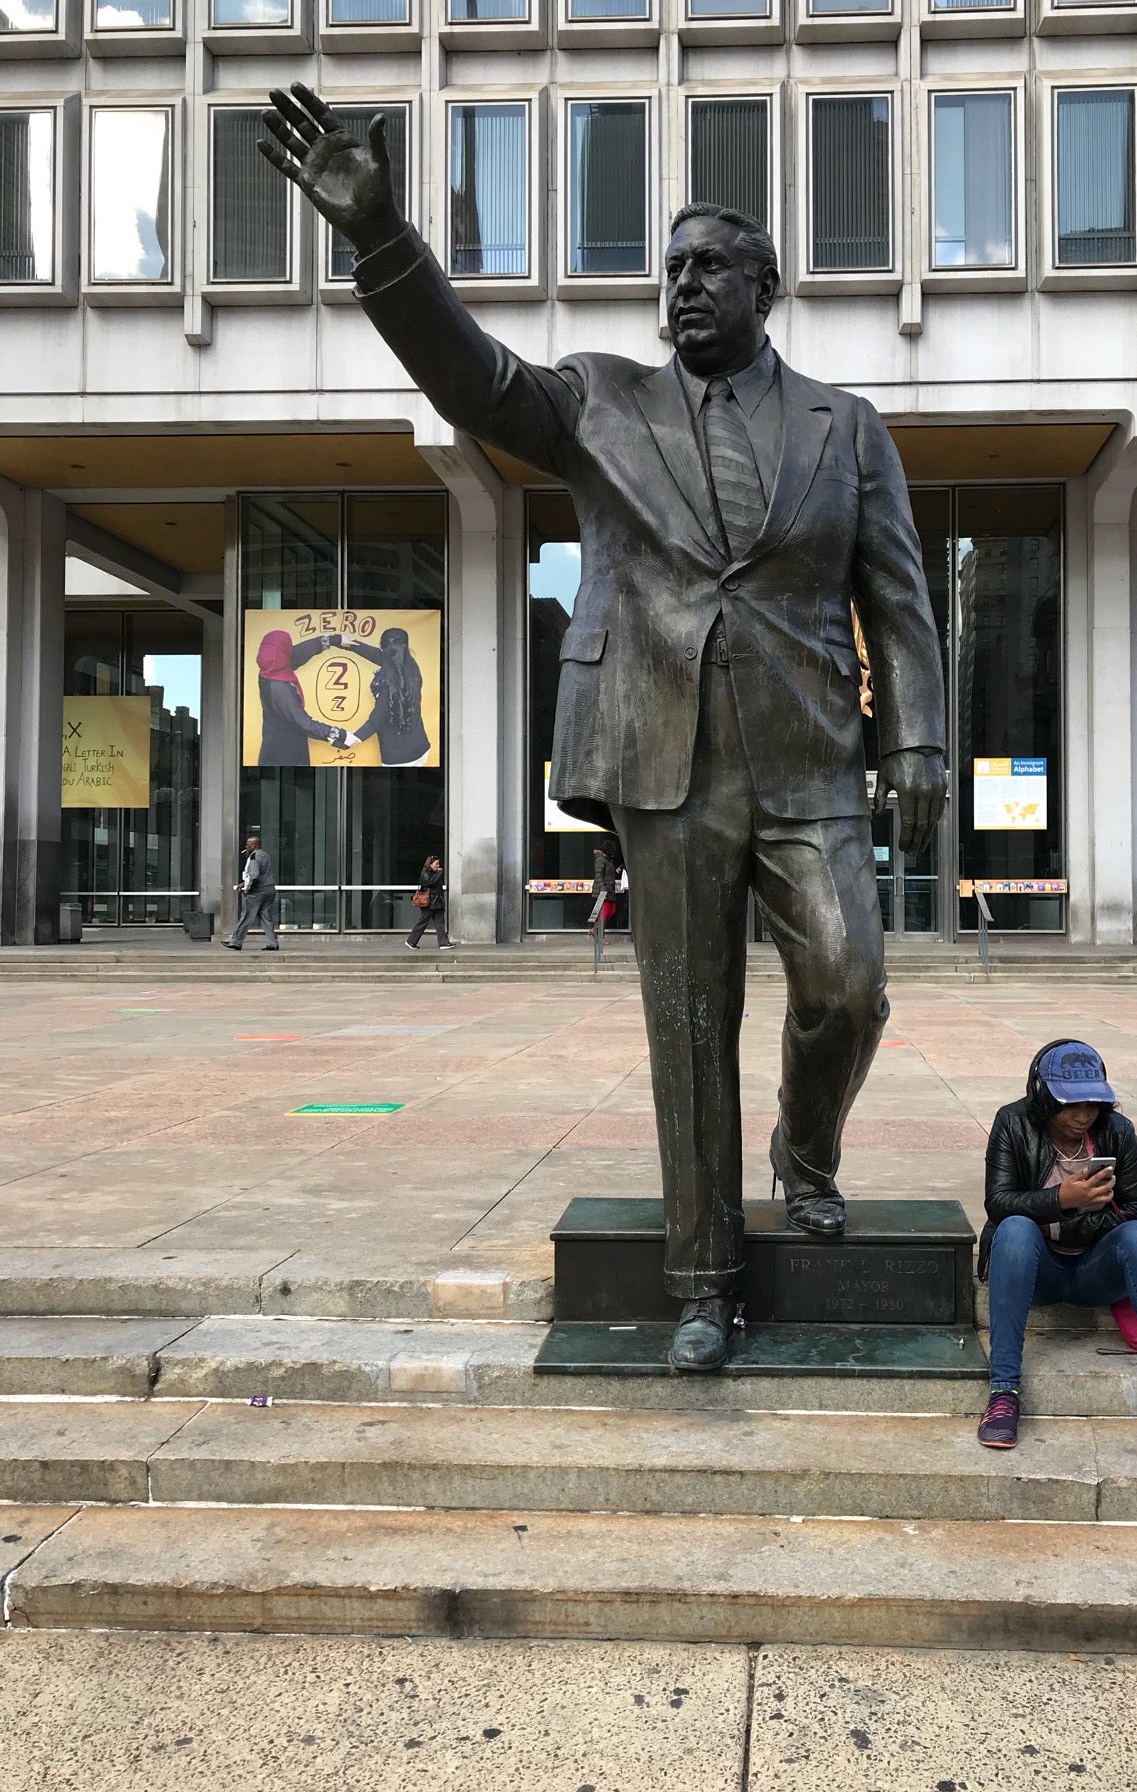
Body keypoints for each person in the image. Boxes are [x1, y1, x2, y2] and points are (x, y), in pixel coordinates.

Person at [258, 85, 947, 1375]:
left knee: (848, 986)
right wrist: (383, 242)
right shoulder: (603, 401)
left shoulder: (845, 426)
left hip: (808, 755)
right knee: (687, 1024)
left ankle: (805, 1153)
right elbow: (477, 382)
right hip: (659, 753)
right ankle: (702, 1279)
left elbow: (899, 597)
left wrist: (916, 737)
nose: (684, 286)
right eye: (671, 269)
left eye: (710, 268)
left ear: (765, 289)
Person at [976, 1039, 1137, 1456]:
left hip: (1095, 1272)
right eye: (1070, 1104)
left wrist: (1073, 1219)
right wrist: (1061, 1200)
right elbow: (998, 1202)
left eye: (1093, 1104)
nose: (1083, 1116)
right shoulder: (1012, 1123)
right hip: (1038, 1271)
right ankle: (1003, 1392)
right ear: (1044, 1096)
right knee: (1013, 1229)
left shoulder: (1117, 1131)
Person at [337, 627, 432, 765]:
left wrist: (351, 739)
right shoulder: (412, 668)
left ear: (383, 648)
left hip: (399, 758)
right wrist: (351, 644)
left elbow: (376, 720)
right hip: (421, 746)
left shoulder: (387, 684)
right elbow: (380, 656)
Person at [254, 630, 347, 766]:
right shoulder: (280, 688)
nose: (291, 651)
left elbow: (297, 653)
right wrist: (339, 735)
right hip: (284, 757)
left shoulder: (269, 670)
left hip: (276, 748)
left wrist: (333, 640)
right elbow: (304, 723)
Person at [225, 835, 279, 951]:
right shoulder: (265, 855)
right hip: (269, 890)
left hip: (257, 892)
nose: (246, 846)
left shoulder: (253, 857)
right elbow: (262, 874)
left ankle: (236, 942)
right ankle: (273, 943)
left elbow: (254, 876)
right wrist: (243, 883)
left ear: (255, 845)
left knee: (246, 916)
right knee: (266, 917)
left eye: (249, 844)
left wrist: (248, 889)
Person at [406, 854, 452, 951]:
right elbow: (430, 882)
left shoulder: (434, 873)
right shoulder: (425, 872)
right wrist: (439, 873)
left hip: (437, 902)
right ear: (430, 864)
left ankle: (443, 942)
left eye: (438, 864)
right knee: (423, 922)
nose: (438, 866)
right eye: (436, 864)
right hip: (429, 903)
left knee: (440, 923)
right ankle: (411, 941)